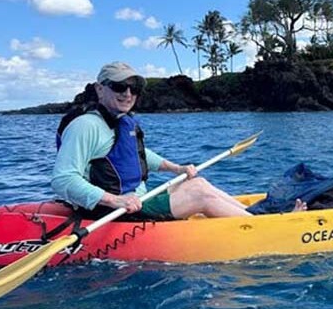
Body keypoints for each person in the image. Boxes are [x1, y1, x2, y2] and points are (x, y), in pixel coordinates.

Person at [52, 61, 260, 220]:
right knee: (199, 194)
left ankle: (260, 217)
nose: (128, 93)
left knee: (198, 182)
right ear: (99, 89)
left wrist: (176, 168)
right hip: (110, 210)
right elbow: (63, 180)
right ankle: (263, 228)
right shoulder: (85, 126)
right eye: (119, 86)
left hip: (136, 199)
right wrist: (116, 200)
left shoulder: (121, 122)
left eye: (134, 88)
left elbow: (139, 155)